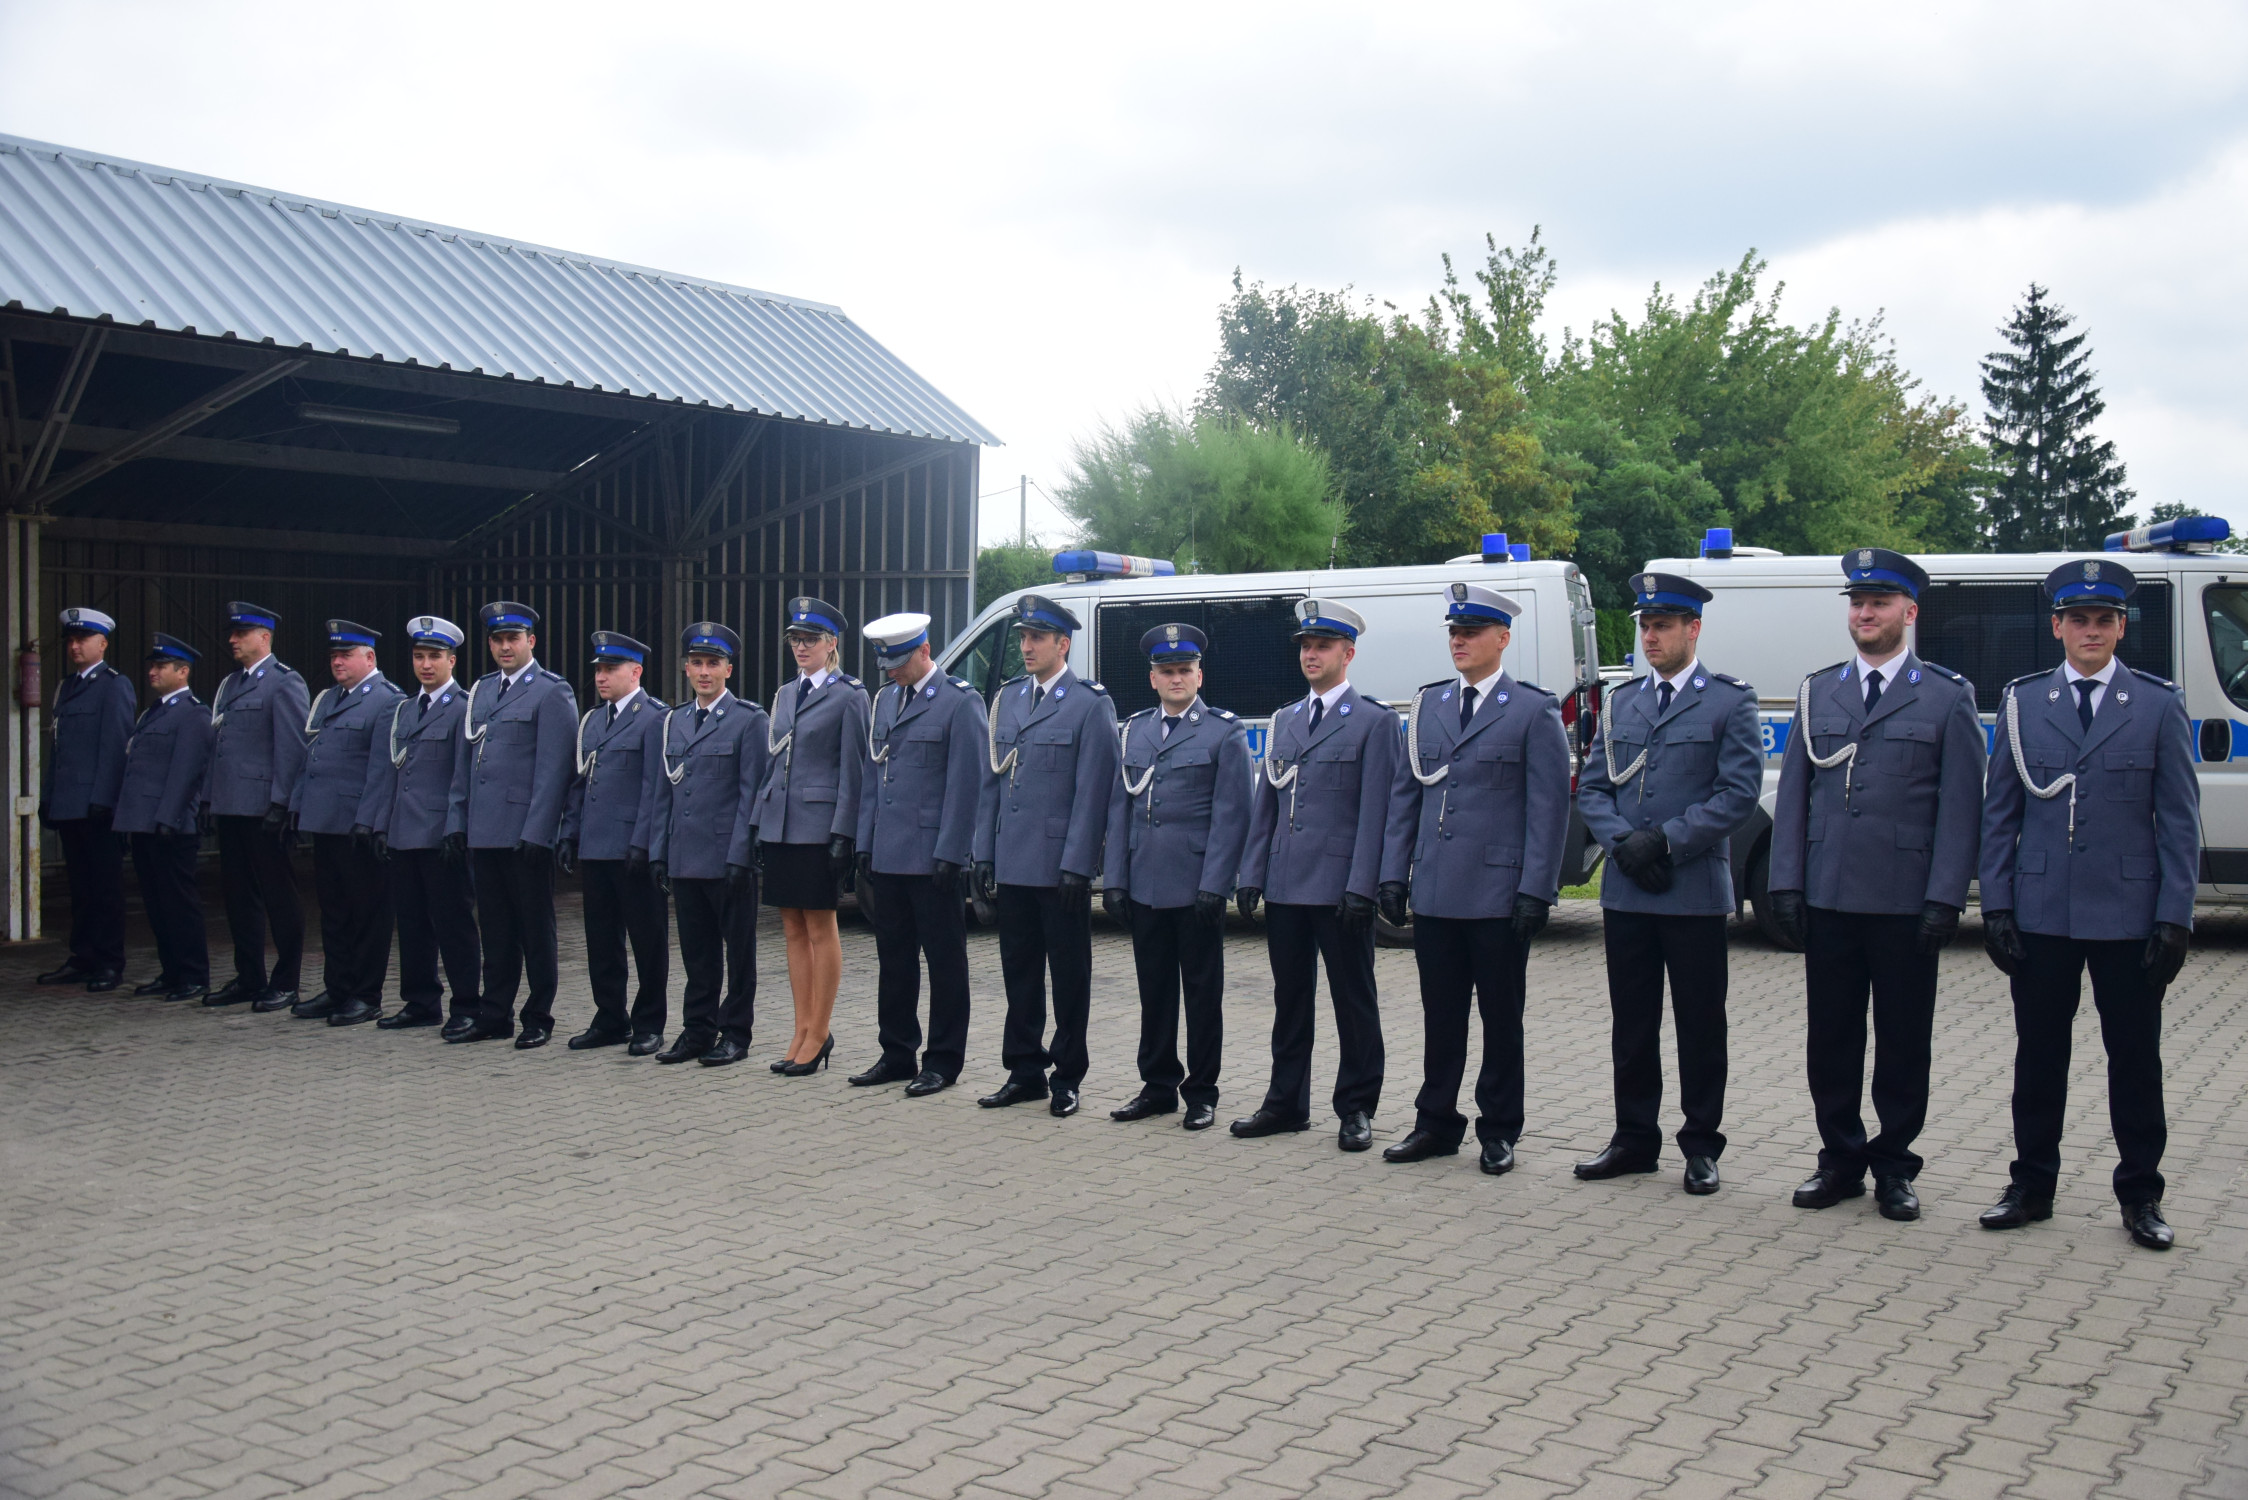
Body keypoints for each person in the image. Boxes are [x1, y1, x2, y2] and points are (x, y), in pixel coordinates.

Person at [1977, 558, 2198, 1251]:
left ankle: (2140, 1196)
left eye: (2104, 620)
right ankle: (2031, 1186)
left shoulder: (2158, 705)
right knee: (2038, 1058)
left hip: (2127, 915)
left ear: (2122, 628)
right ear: (2058, 627)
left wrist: (2174, 917)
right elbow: (2000, 816)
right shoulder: (2022, 703)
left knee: (2134, 1060)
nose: (2091, 630)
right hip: (2042, 912)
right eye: (2080, 620)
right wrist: (1997, 905)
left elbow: (2180, 822)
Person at [1767, 550, 1985, 1223]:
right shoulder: (1818, 691)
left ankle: (1894, 1165)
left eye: (1880, 603)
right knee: (1830, 1038)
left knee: (1901, 1040)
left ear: (1909, 613)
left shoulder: (1947, 697)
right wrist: (1786, 886)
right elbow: (1796, 797)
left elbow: (1960, 808)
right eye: (1857, 604)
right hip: (1829, 895)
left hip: (1903, 900)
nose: (1865, 614)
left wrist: (1946, 896)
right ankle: (1839, 1160)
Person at [1574, 573, 1761, 1195]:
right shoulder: (1623, 700)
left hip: (1691, 893)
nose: (1650, 636)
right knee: (1632, 1024)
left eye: (1662, 626)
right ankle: (1634, 1139)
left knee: (1700, 1025)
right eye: (1644, 626)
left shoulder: (1728, 700)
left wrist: (1669, 840)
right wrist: (1625, 843)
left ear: (1692, 629)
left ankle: (1702, 1145)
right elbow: (1596, 787)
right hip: (1629, 888)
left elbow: (1738, 794)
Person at [1376, 583, 1572, 1175]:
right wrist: (1393, 873)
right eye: (1454, 633)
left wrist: (1538, 888)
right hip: (1436, 888)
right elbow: (1406, 794)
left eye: (1471, 632)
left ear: (1501, 639)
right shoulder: (1429, 705)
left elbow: (1548, 809)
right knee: (1441, 1015)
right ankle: (1435, 1122)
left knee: (1500, 1017)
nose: (1459, 641)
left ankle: (1499, 1129)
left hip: (1497, 893)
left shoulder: (1533, 710)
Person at [1231, 599, 1397, 1153]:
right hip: (1286, 884)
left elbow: (1378, 814)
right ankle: (1285, 1102)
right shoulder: (1285, 720)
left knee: (1354, 1001)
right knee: (1290, 1000)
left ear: (1348, 654)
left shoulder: (1373, 723)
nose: (1311, 654)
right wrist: (1253, 872)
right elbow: (1267, 805)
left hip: (1338, 888)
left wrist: (1363, 886)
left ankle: (1356, 1108)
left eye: (1322, 646)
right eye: (1305, 646)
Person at [971, 594, 1120, 1118]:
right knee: (1020, 971)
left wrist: (1080, 863)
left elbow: (1094, 790)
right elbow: (994, 778)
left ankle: (1068, 1076)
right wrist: (983, 851)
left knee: (1069, 974)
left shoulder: (1088, 702)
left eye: (1037, 638)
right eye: (1023, 638)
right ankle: (1024, 1070)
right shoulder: (1009, 698)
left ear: (1064, 643)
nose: (1027, 646)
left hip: (1060, 865)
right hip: (1014, 858)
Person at [1101, 623, 1251, 1132]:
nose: (1176, 678)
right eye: (1167, 671)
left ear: (1199, 675)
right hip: (1145, 882)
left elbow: (1233, 816)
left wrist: (1217, 884)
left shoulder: (1223, 731)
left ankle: (1202, 1092)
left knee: (1203, 994)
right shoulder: (1136, 730)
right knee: (1155, 991)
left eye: (1184, 670)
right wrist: (1116, 880)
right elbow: (1121, 809)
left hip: (1195, 886)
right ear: (1153, 679)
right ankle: (1158, 1085)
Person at [849, 613, 986, 1097]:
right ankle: (897, 1051)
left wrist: (953, 851)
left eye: (898, 662)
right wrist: (864, 841)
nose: (890, 671)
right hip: (888, 854)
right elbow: (874, 776)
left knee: (945, 962)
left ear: (924, 652)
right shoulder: (885, 700)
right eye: (884, 663)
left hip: (933, 859)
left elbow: (968, 784)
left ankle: (944, 1061)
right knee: (895, 960)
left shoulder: (960, 702)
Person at [445, 601, 578, 1048]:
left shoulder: (550, 691)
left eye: (513, 639)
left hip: (525, 832)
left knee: (535, 928)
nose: (505, 646)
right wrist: (458, 818)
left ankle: (538, 1015)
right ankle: (494, 1011)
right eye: (498, 640)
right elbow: (468, 761)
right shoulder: (481, 691)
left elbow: (555, 768)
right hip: (485, 829)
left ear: (530, 642)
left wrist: (538, 831)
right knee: (496, 928)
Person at [749, 597, 870, 1076]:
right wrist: (760, 820)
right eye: (796, 639)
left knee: (821, 927)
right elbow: (773, 761)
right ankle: (800, 1029)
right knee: (793, 929)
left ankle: (820, 1032)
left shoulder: (849, 695)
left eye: (811, 639)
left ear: (831, 644)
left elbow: (854, 769)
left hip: (820, 828)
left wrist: (845, 830)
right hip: (781, 823)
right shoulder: (784, 694)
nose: (801, 647)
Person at [646, 623, 771, 1067]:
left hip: (727, 858)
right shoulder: (674, 721)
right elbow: (666, 792)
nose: (704, 672)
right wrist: (658, 851)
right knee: (697, 953)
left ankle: (736, 1033)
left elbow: (751, 793)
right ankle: (697, 1029)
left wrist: (741, 853)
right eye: (696, 663)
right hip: (685, 855)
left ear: (728, 669)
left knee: (738, 954)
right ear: (685, 668)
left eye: (713, 663)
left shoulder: (749, 720)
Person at [287, 621, 406, 1026]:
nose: (337, 662)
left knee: (367, 913)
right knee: (334, 910)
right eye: (334, 655)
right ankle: (337, 986)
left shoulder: (387, 700)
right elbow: (313, 755)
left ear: (369, 657)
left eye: (346, 655)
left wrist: (370, 822)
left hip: (358, 826)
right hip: (327, 823)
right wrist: (296, 806)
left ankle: (365, 993)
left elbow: (382, 769)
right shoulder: (329, 698)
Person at [557, 631, 670, 1056]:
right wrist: (569, 833)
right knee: (601, 940)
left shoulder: (654, 717)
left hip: (631, 849)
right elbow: (579, 785)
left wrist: (644, 843)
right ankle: (609, 1017)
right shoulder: (593, 720)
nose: (601, 677)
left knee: (647, 939)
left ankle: (649, 1022)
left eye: (610, 669)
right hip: (596, 846)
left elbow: (655, 789)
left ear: (635, 672)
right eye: (599, 670)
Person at [369, 616, 480, 1034]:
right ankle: (420, 1001)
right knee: (412, 923)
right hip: (404, 833)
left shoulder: (463, 707)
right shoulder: (405, 709)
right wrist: (382, 825)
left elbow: (461, 774)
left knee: (453, 924)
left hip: (440, 836)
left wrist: (457, 827)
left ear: (452, 660)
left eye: (435, 656)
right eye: (419, 656)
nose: (426, 665)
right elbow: (392, 774)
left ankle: (467, 1004)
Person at [201, 601, 310, 1012]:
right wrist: (211, 799)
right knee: (238, 897)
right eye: (232, 633)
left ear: (264, 637)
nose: (232, 639)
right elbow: (222, 747)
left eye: (241, 633)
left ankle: (286, 981)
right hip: (233, 807)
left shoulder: (284, 682)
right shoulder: (230, 685)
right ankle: (249, 976)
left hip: (264, 809)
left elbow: (292, 748)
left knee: (279, 895)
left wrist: (283, 804)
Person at [37, 606, 136, 992]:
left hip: (97, 807)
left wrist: (104, 800)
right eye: (71, 640)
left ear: (103, 643)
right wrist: (49, 797)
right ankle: (83, 957)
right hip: (69, 804)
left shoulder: (114, 685)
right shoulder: (67, 687)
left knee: (105, 888)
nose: (75, 646)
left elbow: (116, 749)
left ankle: (109, 961)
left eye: (83, 639)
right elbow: (58, 749)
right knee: (80, 887)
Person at [113, 633, 213, 1002]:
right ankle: (171, 972)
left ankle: (193, 974)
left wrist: (168, 819)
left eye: (161, 666)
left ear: (182, 671)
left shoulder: (192, 713)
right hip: (145, 823)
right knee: (156, 904)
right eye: (151, 666)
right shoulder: (153, 711)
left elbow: (185, 772)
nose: (152, 672)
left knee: (178, 904)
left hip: (170, 826)